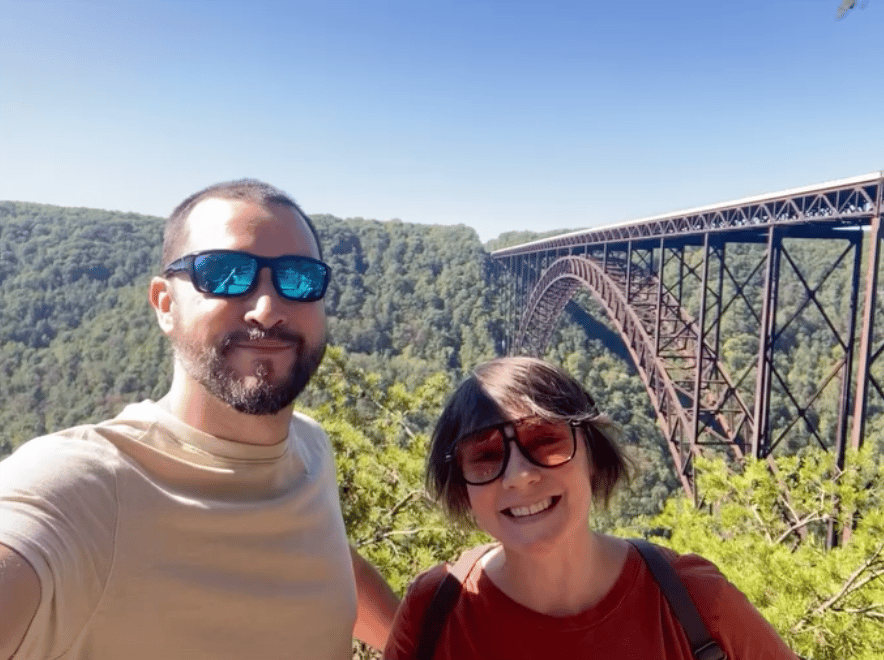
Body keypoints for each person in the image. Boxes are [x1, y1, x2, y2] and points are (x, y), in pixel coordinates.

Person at [0, 179, 399, 660]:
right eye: (225, 274)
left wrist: (421, 642)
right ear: (165, 304)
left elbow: (323, 558)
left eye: (299, 278)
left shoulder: (311, 450)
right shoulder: (85, 489)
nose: (268, 310)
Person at [384, 356, 798, 660]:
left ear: (593, 456)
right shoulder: (432, 611)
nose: (518, 474)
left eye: (545, 441)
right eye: (485, 456)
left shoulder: (697, 605)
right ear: (461, 486)